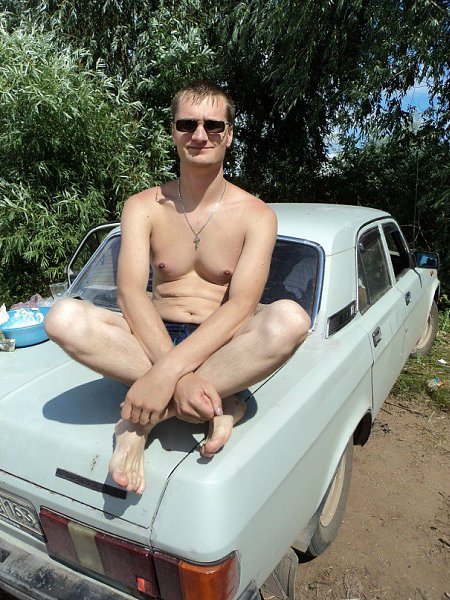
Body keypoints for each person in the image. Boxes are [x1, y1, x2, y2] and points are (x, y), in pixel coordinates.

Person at [45, 81, 311, 495]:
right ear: (173, 131)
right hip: (151, 340)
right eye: (187, 124)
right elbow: (131, 294)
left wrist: (165, 377)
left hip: (219, 344)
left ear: (229, 134)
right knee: (62, 317)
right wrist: (177, 376)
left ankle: (137, 424)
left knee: (291, 320)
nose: (199, 135)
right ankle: (221, 403)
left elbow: (242, 306)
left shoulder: (257, 215)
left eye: (213, 125)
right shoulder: (142, 206)